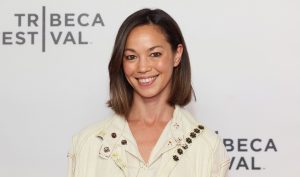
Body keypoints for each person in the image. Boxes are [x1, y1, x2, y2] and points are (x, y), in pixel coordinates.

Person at [67, 8, 230, 177]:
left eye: (155, 54)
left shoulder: (207, 146)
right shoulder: (87, 143)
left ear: (177, 55)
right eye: (131, 57)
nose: (143, 67)